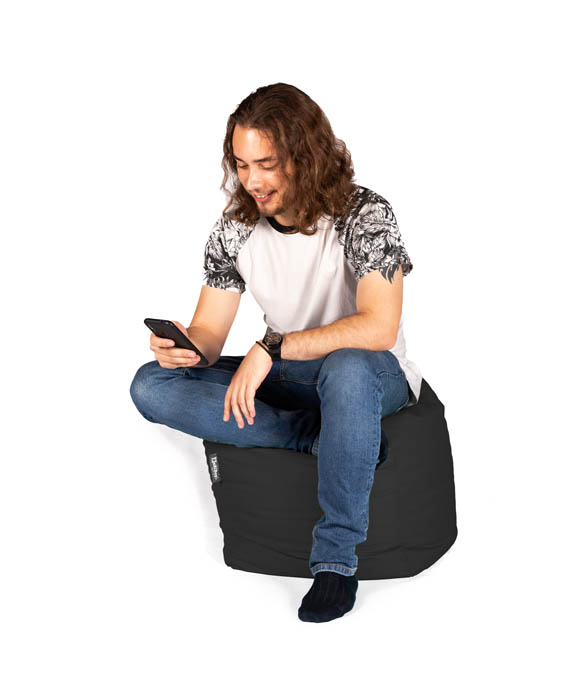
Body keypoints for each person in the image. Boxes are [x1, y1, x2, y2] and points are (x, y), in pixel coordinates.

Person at [130, 82, 422, 623]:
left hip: (369, 376)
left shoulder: (365, 213)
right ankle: (313, 436)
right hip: (289, 374)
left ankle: (335, 561)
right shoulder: (235, 229)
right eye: (242, 165)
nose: (252, 181)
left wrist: (273, 346)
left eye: (267, 164)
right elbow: (210, 332)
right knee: (150, 384)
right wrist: (186, 348)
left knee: (349, 368)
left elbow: (379, 327)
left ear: (306, 156)